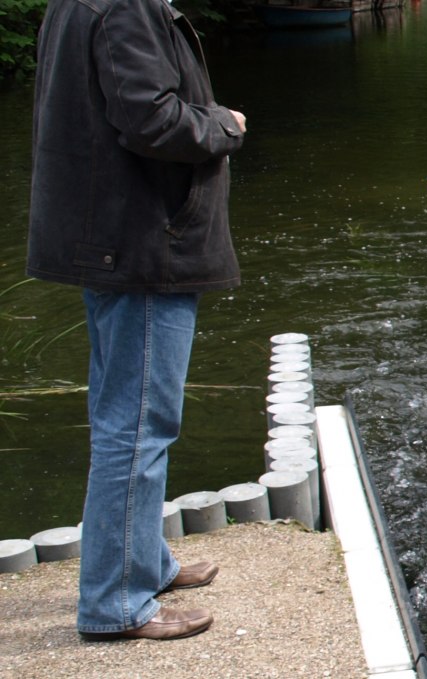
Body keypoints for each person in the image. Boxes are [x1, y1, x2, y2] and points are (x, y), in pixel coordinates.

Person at [29, 0, 250, 641]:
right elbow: (153, 121)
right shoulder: (124, 6)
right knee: (137, 424)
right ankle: (116, 603)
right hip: (143, 243)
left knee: (123, 414)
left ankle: (144, 562)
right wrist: (223, 124)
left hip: (111, 238)